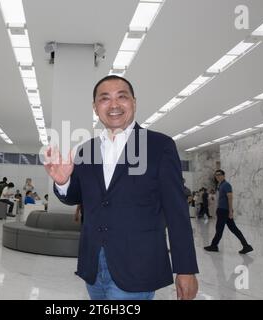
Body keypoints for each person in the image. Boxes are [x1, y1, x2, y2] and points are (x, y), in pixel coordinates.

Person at [45, 75, 198, 300]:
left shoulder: (159, 146)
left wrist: (185, 268)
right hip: (93, 266)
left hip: (137, 266)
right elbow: (78, 197)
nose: (114, 104)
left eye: (122, 97)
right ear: (95, 107)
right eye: (105, 98)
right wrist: (63, 182)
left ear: (134, 103)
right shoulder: (87, 150)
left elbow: (177, 211)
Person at [204, 170, 253, 254]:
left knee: (219, 228)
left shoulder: (226, 185)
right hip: (222, 209)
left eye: (219, 175)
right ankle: (246, 246)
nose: (217, 176)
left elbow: (230, 197)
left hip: (224, 210)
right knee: (233, 229)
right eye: (216, 175)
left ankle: (214, 246)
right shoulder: (221, 185)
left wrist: (230, 211)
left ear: (223, 175)